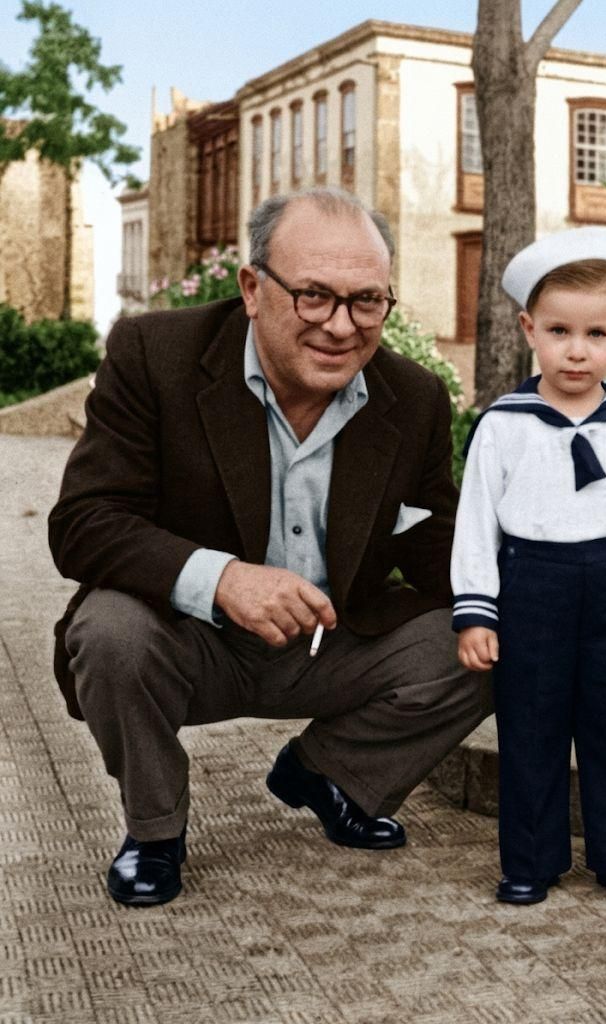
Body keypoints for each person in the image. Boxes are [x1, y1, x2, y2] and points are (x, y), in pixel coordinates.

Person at [49, 186, 492, 907]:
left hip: (332, 647)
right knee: (109, 632)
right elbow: (84, 521)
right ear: (253, 288)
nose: (341, 327)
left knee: (482, 638)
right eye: (314, 296)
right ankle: (154, 832)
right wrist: (222, 579)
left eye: (367, 301)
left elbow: (440, 542)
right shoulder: (154, 355)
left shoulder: (412, 398)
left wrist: (559, 593)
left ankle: (333, 775)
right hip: (189, 641)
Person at [450, 227, 606, 906]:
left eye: (595, 333)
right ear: (530, 329)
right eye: (559, 330)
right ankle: (529, 861)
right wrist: (477, 609)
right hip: (534, 586)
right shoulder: (505, 424)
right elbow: (476, 522)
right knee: (532, 726)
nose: (577, 350)